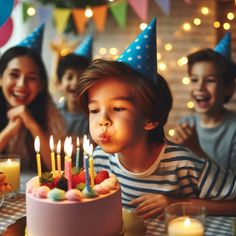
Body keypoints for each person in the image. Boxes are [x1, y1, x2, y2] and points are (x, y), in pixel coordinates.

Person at [76, 19, 236, 234]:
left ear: (150, 118)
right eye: (94, 110)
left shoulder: (183, 164)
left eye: (118, 108)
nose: (101, 120)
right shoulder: (99, 159)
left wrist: (179, 204)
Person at [0, 25, 65, 172]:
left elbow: (58, 169)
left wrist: (31, 124)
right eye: (14, 75)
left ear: (41, 85)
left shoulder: (48, 110)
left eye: (31, 78)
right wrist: (8, 132)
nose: (21, 84)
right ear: (1, 77)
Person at [171, 32, 236, 171]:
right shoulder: (186, 124)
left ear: (229, 88)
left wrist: (196, 149)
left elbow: (232, 186)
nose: (199, 87)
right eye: (194, 80)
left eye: (210, 80)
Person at [57, 35, 92, 140]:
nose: (76, 82)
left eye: (81, 78)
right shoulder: (53, 113)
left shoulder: (93, 114)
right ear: (59, 83)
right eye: (69, 77)